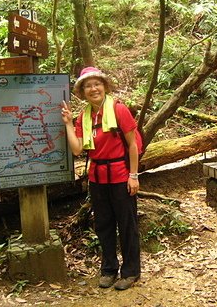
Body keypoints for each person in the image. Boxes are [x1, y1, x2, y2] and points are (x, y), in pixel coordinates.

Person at [61, 66, 141, 291]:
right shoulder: (83, 117)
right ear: (82, 91)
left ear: (104, 86)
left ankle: (131, 271)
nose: (93, 88)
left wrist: (133, 176)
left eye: (97, 84)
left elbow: (133, 144)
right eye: (88, 85)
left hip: (120, 175)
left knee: (127, 224)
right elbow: (77, 150)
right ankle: (108, 270)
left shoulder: (119, 110)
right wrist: (68, 123)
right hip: (97, 178)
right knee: (104, 225)